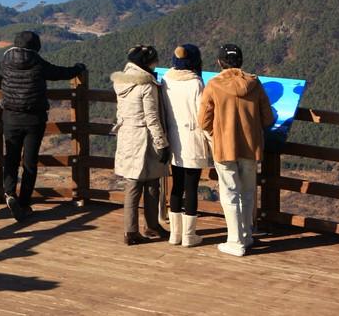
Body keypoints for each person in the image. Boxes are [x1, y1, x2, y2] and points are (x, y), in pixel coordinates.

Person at [0, 30, 86, 222]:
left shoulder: (6, 64)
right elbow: (61, 72)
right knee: (29, 162)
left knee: (10, 158)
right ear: (36, 47)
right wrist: (78, 68)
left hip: (10, 118)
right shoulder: (38, 64)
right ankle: (25, 204)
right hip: (34, 120)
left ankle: (10, 194)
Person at [197, 43, 274, 256]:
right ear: (240, 61)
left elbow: (203, 120)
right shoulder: (255, 84)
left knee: (229, 192)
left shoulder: (213, 85)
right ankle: (247, 235)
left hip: (225, 147)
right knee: (248, 192)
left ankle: (235, 241)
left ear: (220, 62)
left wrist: (216, 133)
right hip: (251, 147)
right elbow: (268, 118)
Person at [111, 44, 170, 245]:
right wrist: (162, 143)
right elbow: (152, 118)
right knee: (152, 183)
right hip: (144, 138)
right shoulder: (146, 85)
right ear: (146, 63)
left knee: (132, 185)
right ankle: (151, 226)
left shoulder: (121, 82)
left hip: (127, 135)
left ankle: (130, 230)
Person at [160, 44, 212, 247]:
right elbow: (203, 115)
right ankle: (189, 236)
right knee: (191, 187)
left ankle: (175, 234)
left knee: (177, 185)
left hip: (173, 136)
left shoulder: (166, 80)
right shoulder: (196, 83)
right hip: (192, 137)